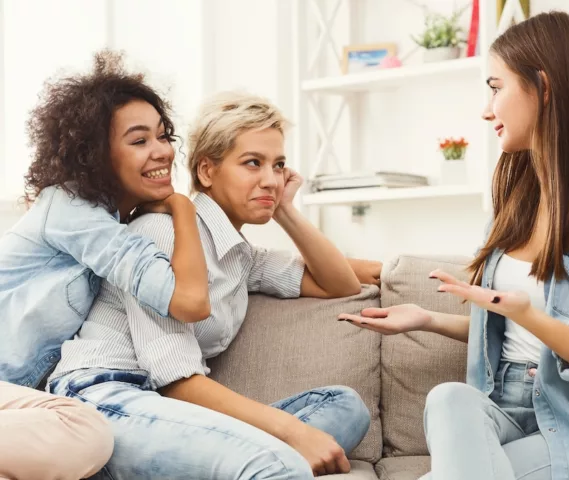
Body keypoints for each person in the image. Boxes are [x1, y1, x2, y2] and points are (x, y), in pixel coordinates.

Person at [339, 11, 569, 480]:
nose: (486, 109)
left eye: (496, 88)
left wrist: (529, 316)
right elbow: (507, 318)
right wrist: (427, 320)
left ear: (543, 86)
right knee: (448, 397)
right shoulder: (515, 200)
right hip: (501, 407)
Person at [48, 91, 372, 480]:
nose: (270, 179)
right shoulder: (164, 232)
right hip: (104, 398)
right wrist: (291, 431)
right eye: (253, 163)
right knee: (280, 463)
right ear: (206, 171)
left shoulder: (241, 256)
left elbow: (340, 284)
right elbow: (176, 381)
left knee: (344, 406)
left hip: (158, 409)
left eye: (279, 165)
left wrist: (284, 208)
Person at [0, 50, 210, 479]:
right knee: (85, 434)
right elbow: (190, 302)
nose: (162, 152)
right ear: (96, 155)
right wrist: (183, 207)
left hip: (15, 400)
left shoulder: (120, 223)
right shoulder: (70, 209)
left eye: (163, 135)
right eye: (139, 141)